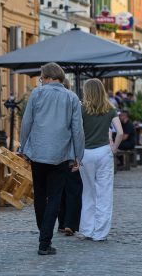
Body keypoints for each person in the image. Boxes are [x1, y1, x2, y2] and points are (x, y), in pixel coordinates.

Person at [19, 63, 84, 256]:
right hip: (61, 154)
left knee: (40, 194)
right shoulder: (72, 97)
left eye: (41, 78)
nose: (41, 81)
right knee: (55, 196)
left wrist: (24, 147)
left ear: (47, 77)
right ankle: (44, 240)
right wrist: (78, 155)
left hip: (38, 152)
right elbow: (77, 129)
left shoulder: (37, 94)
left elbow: (26, 123)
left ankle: (44, 232)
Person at [78, 79, 124, 242]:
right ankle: (100, 233)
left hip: (86, 153)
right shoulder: (110, 109)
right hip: (104, 152)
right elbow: (120, 132)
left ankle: (87, 229)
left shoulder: (81, 109)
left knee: (88, 191)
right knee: (104, 192)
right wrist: (114, 148)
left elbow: (76, 133)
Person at [58, 77, 83, 236]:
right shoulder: (74, 103)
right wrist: (78, 155)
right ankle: (70, 223)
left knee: (59, 189)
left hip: (54, 153)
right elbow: (78, 130)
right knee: (74, 189)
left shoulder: (52, 105)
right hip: (70, 151)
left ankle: (61, 223)